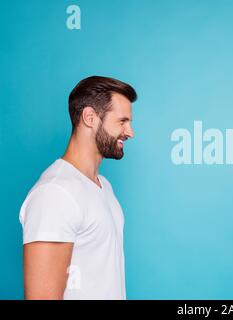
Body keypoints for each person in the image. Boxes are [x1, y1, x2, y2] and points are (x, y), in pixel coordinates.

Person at [19, 76, 137, 299]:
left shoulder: (104, 187)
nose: (130, 132)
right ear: (90, 117)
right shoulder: (55, 194)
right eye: (122, 121)